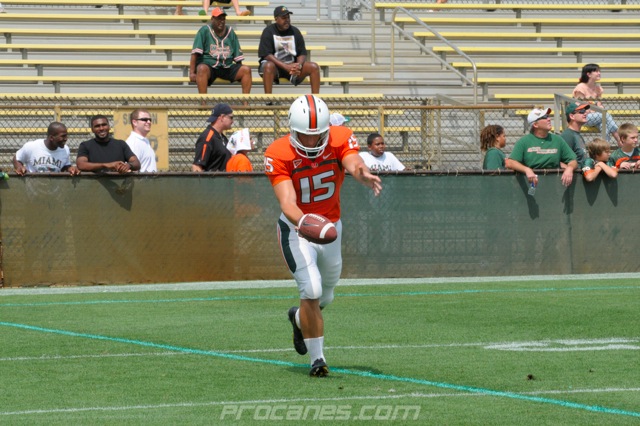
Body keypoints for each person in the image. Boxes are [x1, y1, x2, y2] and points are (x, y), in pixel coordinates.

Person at [264, 95, 382, 377]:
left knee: (326, 295)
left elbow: (353, 162)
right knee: (312, 290)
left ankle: (298, 318)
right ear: (293, 130)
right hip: (297, 229)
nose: (311, 141)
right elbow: (287, 202)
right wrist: (305, 223)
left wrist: (362, 174)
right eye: (304, 135)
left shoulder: (339, 138)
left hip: (330, 227)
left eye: (316, 135)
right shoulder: (278, 153)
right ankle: (317, 359)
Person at [505, 107, 578, 188]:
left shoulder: (557, 140)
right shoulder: (524, 141)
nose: (549, 119)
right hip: (533, 185)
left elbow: (573, 160)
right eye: (544, 117)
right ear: (535, 124)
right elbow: (510, 162)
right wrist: (527, 170)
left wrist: (570, 168)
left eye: (548, 116)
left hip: (554, 186)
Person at [258, 6, 321, 94]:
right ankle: (268, 99)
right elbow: (266, 55)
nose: (287, 20)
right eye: (283, 18)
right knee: (268, 65)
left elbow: (302, 53)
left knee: (314, 67)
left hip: (292, 67)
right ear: (276, 19)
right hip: (275, 67)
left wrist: (298, 65)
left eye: (288, 17)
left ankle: (316, 99)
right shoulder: (268, 31)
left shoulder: (295, 31)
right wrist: (285, 66)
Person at [190, 7, 252, 95]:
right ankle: (203, 102)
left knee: (246, 70)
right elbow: (195, 53)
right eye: (219, 19)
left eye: (223, 19)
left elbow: (238, 56)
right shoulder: (204, 31)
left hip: (227, 66)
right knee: (201, 68)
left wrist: (238, 71)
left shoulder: (230, 32)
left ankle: (245, 102)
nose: (221, 21)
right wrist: (192, 73)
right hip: (210, 66)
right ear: (212, 19)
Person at [573, 63, 621, 146]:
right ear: (588, 74)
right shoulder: (581, 87)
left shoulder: (598, 88)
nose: (599, 73)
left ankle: (605, 147)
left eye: (599, 71)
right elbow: (579, 108)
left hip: (596, 116)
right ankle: (619, 139)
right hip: (584, 116)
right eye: (596, 71)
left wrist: (596, 109)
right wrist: (594, 109)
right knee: (606, 115)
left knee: (604, 126)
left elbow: (599, 105)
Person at [76, 115, 141, 174]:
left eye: (104, 125)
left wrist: (128, 165)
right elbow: (81, 165)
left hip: (119, 183)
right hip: (94, 183)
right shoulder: (85, 145)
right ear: (92, 129)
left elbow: (136, 163)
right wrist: (106, 165)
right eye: (97, 126)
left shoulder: (121, 144)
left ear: (109, 127)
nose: (101, 128)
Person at [12, 122, 80, 176]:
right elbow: (17, 158)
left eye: (66, 136)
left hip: (54, 188)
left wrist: (70, 169)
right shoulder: (32, 146)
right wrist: (19, 167)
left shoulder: (65, 150)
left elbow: (65, 166)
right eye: (63, 136)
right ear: (51, 138)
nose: (66, 139)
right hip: (33, 187)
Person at [192, 103, 234, 172]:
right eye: (231, 118)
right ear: (222, 117)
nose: (232, 121)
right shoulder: (207, 137)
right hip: (212, 178)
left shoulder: (222, 137)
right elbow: (197, 166)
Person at [560, 102, 591, 169]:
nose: (585, 113)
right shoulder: (568, 135)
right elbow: (559, 160)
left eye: (585, 111)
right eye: (581, 111)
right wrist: (570, 170)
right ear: (572, 116)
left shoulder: (577, 134)